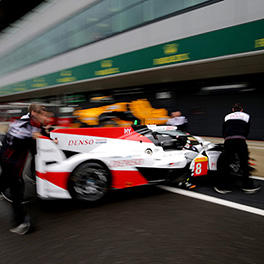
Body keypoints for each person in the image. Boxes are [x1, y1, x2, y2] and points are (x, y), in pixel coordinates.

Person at [0, 103, 47, 235]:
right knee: (17, 191)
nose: (45, 117)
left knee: (3, 183)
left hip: (4, 156)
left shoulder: (23, 120)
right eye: (42, 114)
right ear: (34, 113)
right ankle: (20, 224)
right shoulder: (29, 127)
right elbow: (34, 148)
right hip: (12, 162)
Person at [214, 103, 261, 194]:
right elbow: (247, 130)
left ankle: (224, 186)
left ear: (232, 109)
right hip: (240, 140)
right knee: (244, 162)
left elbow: (224, 130)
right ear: (241, 109)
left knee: (225, 162)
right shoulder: (246, 116)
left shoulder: (227, 116)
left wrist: (227, 139)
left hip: (229, 140)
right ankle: (247, 186)